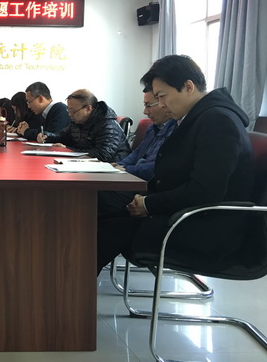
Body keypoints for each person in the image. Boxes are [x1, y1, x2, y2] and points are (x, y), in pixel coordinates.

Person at [97, 55, 254, 275]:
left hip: (206, 228)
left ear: (188, 87)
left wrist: (148, 204)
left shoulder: (217, 121)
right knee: (98, 217)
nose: (161, 104)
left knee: (103, 230)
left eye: (162, 96)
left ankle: (71, 290)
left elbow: (205, 191)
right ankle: (69, 288)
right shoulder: (198, 118)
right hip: (186, 215)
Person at [97, 86, 176, 217]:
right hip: (135, 178)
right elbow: (138, 151)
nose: (145, 111)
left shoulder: (176, 130)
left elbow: (157, 167)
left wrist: (126, 169)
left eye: (148, 106)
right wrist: (119, 165)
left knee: (100, 194)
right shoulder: (154, 127)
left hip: (148, 187)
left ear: (164, 103)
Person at [39, 89, 130, 162]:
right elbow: (62, 136)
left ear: (88, 108)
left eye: (73, 111)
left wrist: (69, 150)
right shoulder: (77, 122)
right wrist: (47, 136)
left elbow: (103, 155)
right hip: (87, 165)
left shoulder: (107, 124)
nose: (70, 114)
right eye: (68, 110)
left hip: (114, 169)